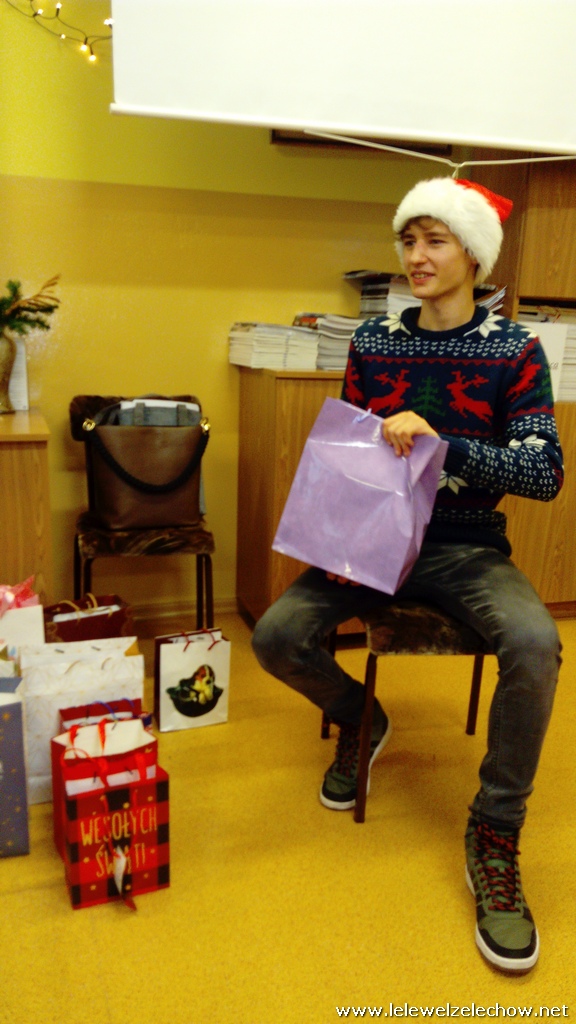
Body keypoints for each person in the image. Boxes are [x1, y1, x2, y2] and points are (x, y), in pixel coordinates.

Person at [252, 176, 563, 973]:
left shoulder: (516, 351)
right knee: (276, 636)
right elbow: (353, 451)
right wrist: (337, 532)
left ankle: (495, 831)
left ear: (473, 255)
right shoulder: (373, 341)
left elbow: (544, 472)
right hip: (371, 540)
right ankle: (362, 720)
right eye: (408, 240)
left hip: (466, 547)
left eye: (434, 240)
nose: (416, 256)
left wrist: (442, 444)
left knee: (536, 644)